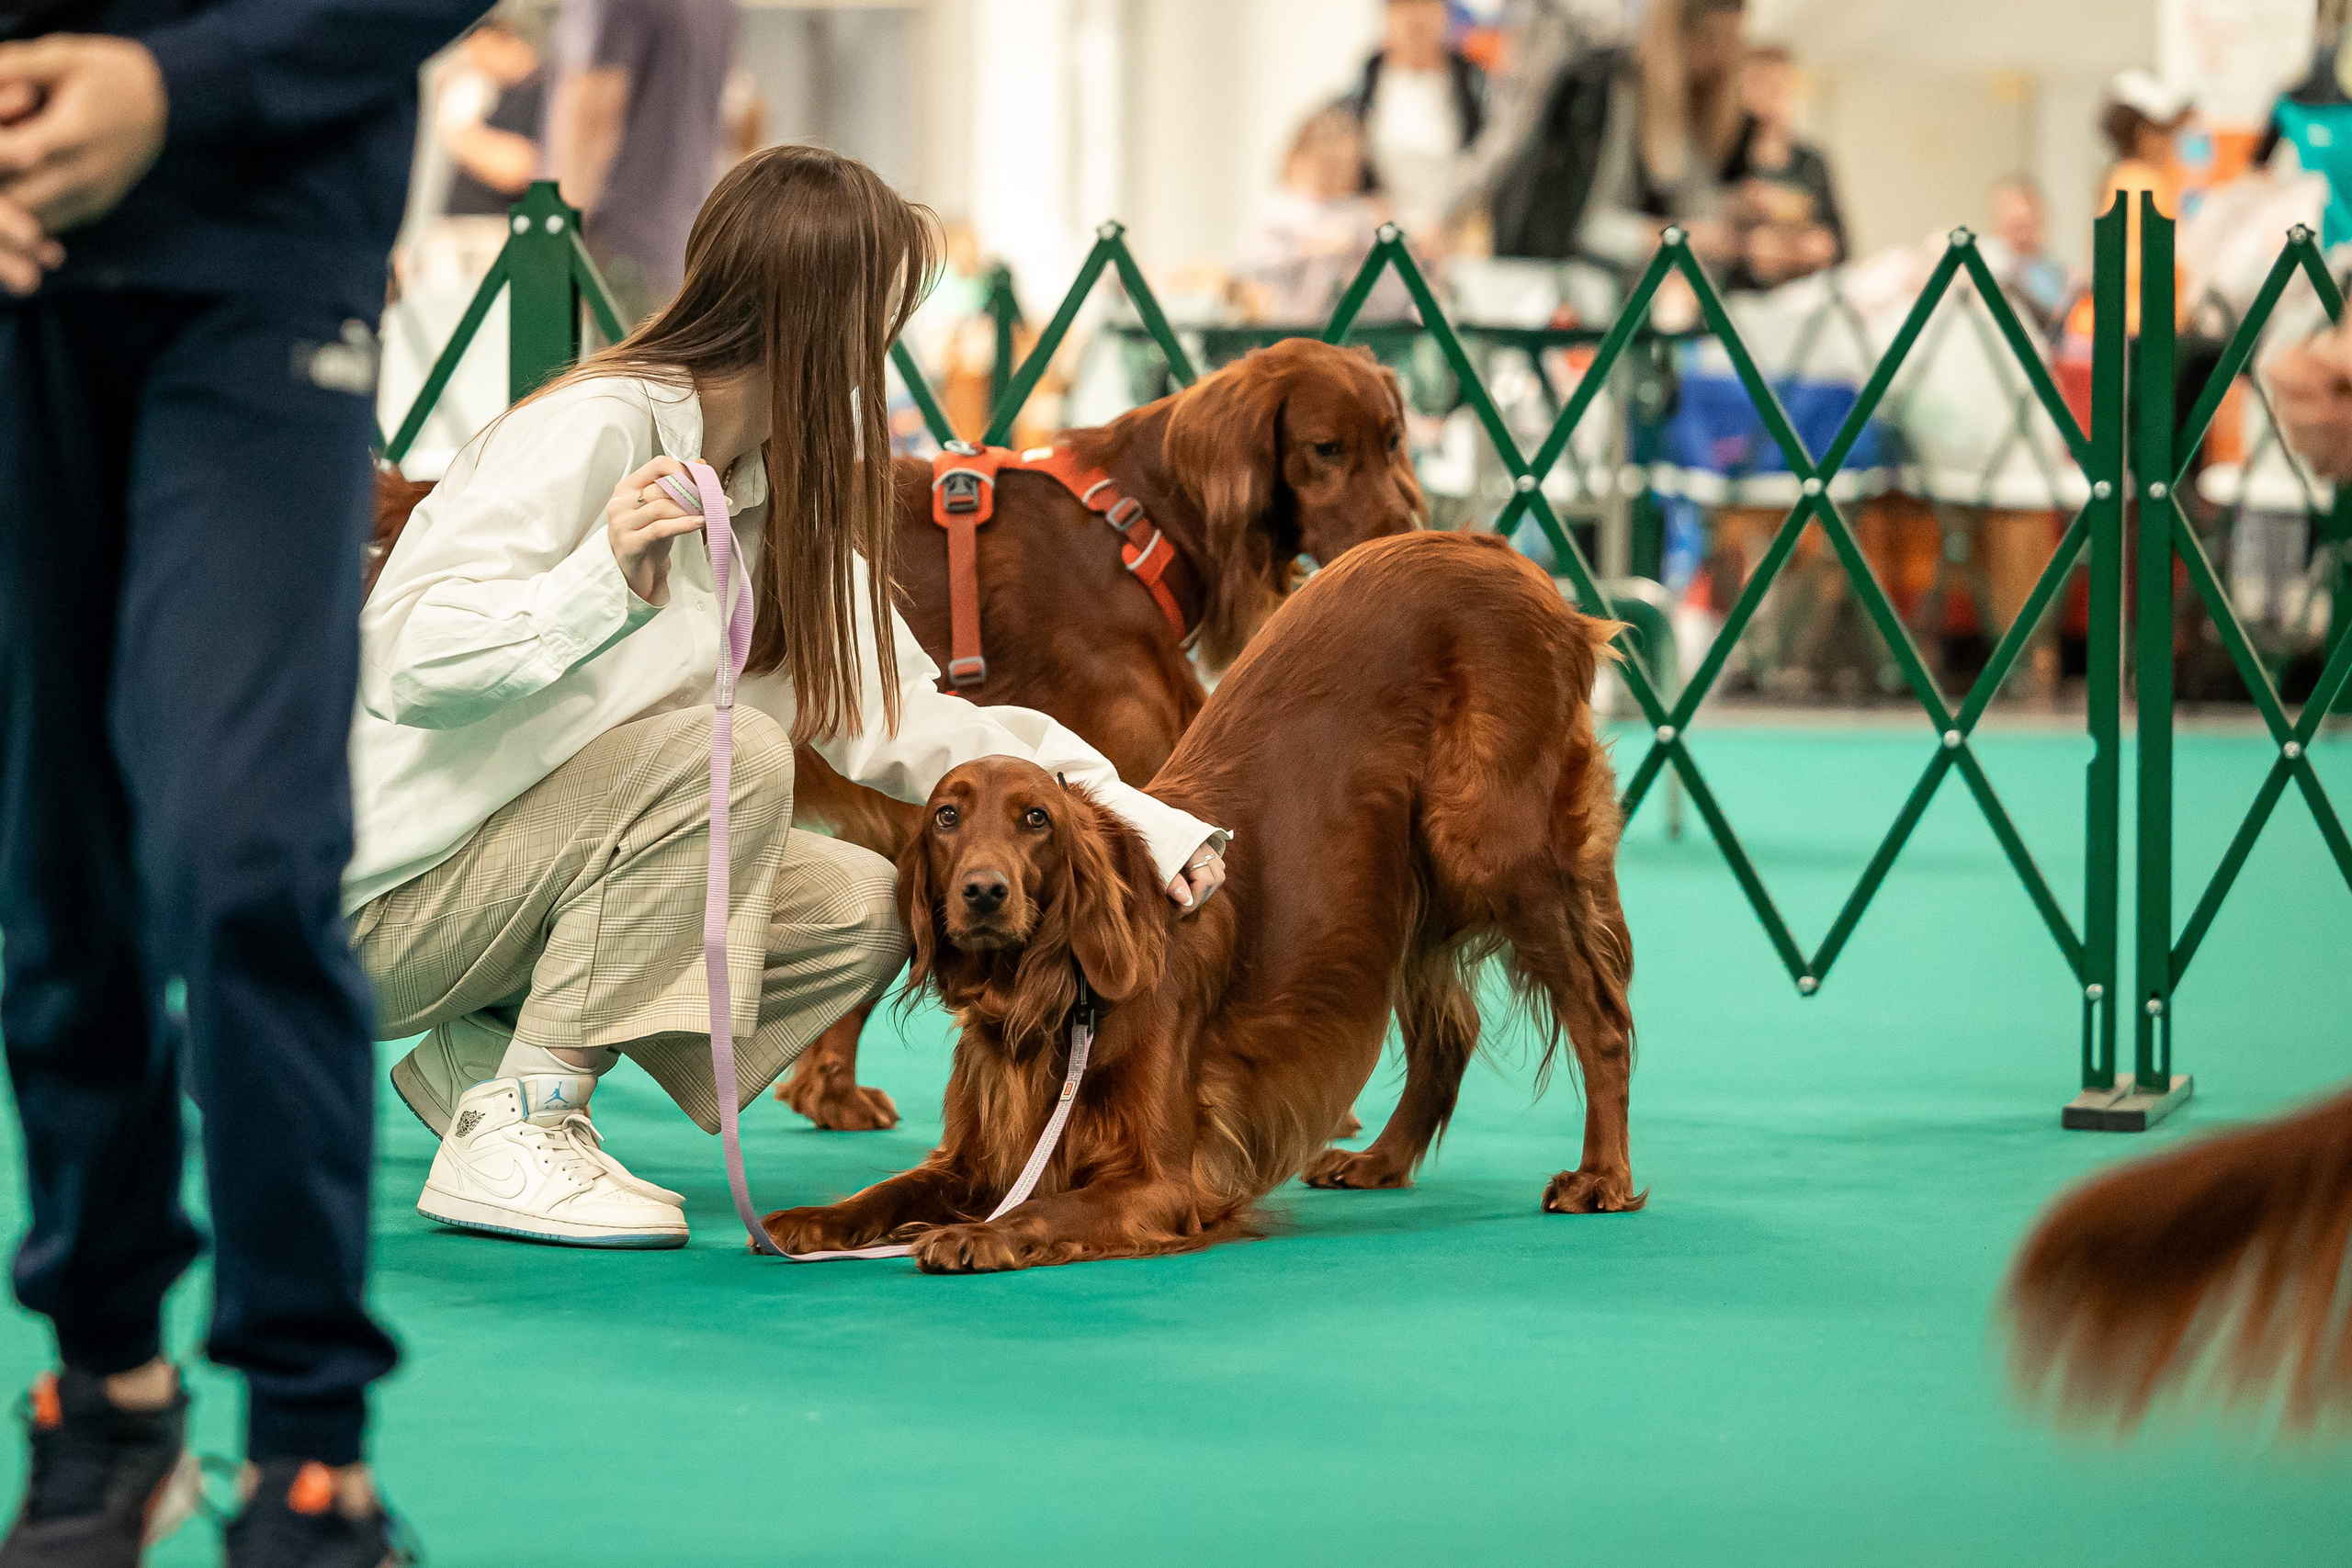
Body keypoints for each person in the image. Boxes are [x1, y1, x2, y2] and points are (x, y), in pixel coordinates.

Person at [355, 145, 1227, 1250]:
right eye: (876, 316)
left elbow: (919, 717)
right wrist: (596, 589)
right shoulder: (593, 431)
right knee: (733, 761)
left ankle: (481, 1060)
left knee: (871, 906)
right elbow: (403, 661)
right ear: (816, 317)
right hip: (384, 901)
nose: (882, 349)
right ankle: (525, 1126)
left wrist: (1130, 813)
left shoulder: (771, 500)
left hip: (507, 896)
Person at [0, 0, 483, 1562]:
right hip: (22, 274)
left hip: (261, 258)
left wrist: (178, 80)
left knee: (239, 851)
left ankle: (308, 1450)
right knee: (53, 879)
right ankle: (110, 1387)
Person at [1462, 0, 1747, 274]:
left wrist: (1738, 212)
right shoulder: (1610, 89)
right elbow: (1588, 228)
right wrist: (1681, 239)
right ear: (1675, 35)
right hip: (1571, 281)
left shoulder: (1695, 108)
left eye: (1732, 41)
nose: (1720, 57)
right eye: (1710, 39)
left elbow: (1695, 204)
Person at [546, 0, 738, 324]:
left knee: (603, 371)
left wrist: (557, 228)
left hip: (614, 248)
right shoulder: (720, 6)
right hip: (685, 245)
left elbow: (597, 106)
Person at [1234, 103, 1411, 323]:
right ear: (1296, 158)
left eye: (1345, 166)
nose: (1333, 178)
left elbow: (1394, 294)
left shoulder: (1361, 215)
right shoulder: (1279, 213)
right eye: (1327, 164)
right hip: (1288, 332)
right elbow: (1256, 281)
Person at [1352, 0, 1485, 243]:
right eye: (1404, 7)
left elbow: (1486, 159)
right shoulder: (1367, 80)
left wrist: (1449, 223)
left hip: (1454, 237)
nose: (1415, 19)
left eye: (1425, 6)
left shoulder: (1472, 82)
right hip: (1381, 237)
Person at [1719, 43, 1842, 291]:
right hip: (1743, 295)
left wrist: (1813, 247)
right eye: (1763, 88)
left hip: (1806, 294)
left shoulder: (1811, 162)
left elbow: (1838, 240)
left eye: (1782, 89)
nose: (1774, 102)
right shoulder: (1726, 158)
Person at [438, 13, 544, 218]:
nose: (474, 58)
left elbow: (523, 168)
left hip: (502, 228)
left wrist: (459, 136)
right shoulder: (498, 91)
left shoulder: (540, 91)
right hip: (466, 226)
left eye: (478, 47)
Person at [1983, 173, 2072, 336]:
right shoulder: (1988, 260)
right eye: (2014, 225)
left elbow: (2055, 313)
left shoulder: (2055, 270)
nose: (2022, 233)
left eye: (2026, 224)